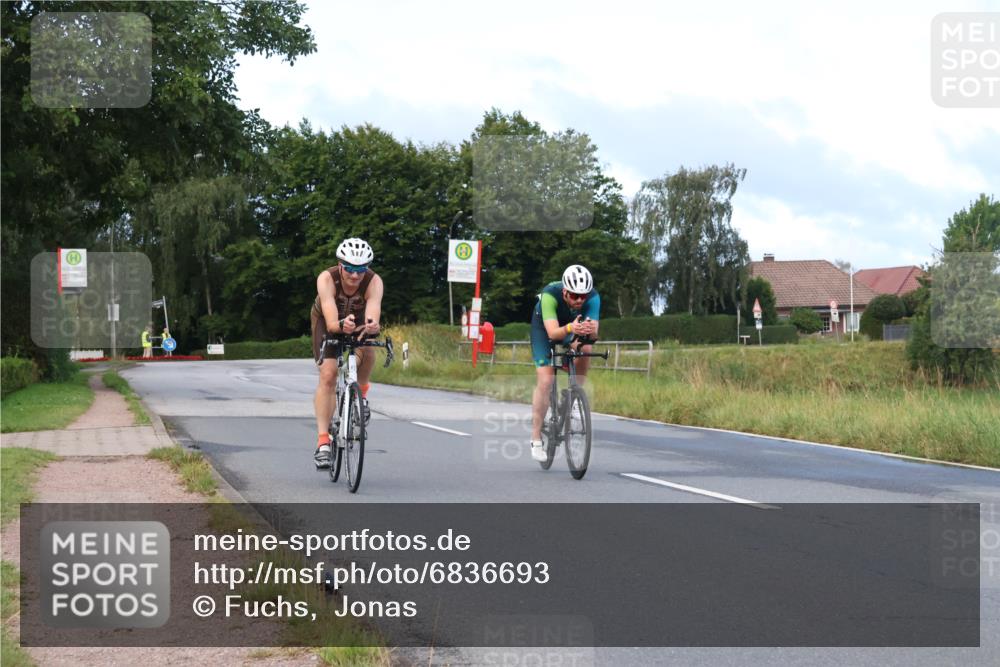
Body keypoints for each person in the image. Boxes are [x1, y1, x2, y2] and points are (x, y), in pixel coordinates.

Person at [311, 238, 384, 468]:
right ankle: (323, 442)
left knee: (368, 346)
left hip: (357, 320)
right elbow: (332, 322)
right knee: (329, 374)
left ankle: (361, 397)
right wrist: (341, 325)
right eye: (350, 269)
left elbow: (373, 315)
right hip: (327, 321)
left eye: (361, 270)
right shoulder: (326, 279)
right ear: (340, 265)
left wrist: (372, 326)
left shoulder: (373, 282)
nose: (355, 276)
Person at [528, 265, 600, 462]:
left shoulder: (593, 298)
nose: (579, 300)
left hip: (571, 328)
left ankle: (574, 395)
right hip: (545, 330)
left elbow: (593, 335)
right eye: (574, 296)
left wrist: (590, 331)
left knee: (586, 350)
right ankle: (535, 439)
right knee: (546, 380)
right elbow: (552, 333)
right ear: (565, 291)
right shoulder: (550, 295)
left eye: (582, 296)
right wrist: (571, 327)